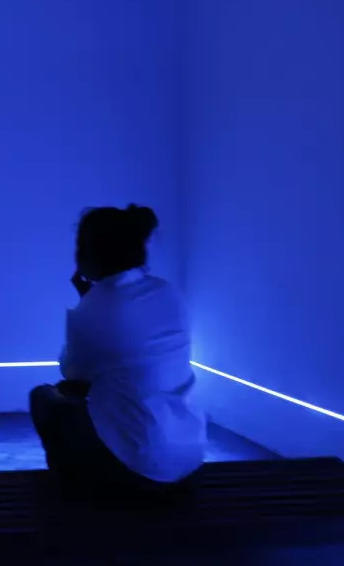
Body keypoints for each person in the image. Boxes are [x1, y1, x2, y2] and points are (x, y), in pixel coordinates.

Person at [30, 204, 206, 501]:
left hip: (139, 470)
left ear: (88, 253)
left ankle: (71, 486)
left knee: (44, 397)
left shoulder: (95, 307)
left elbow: (71, 372)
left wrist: (86, 303)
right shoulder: (168, 292)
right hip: (189, 460)